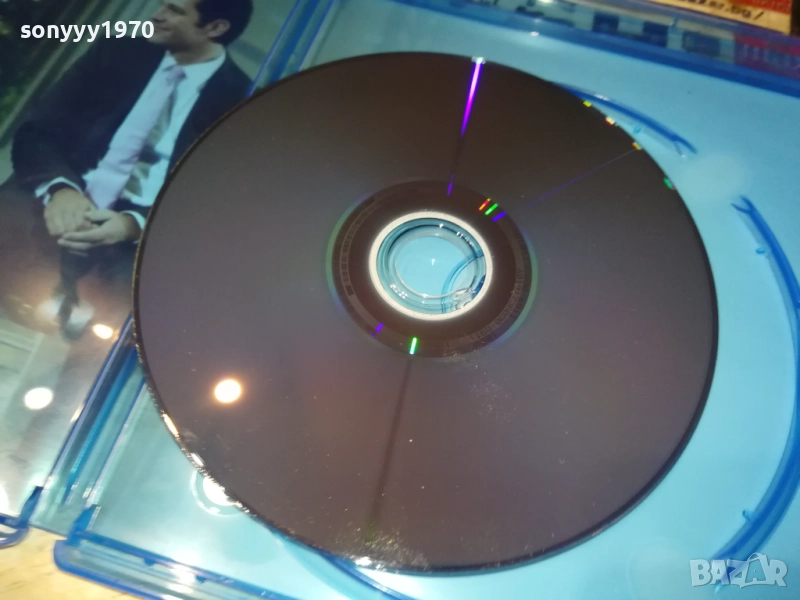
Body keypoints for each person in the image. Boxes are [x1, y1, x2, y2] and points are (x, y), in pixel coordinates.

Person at [5, 0, 254, 337]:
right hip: (48, 198)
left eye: (174, 10)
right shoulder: (116, 53)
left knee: (138, 328)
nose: (156, 15)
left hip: (132, 244)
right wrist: (61, 191)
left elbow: (212, 206)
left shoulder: (240, 101)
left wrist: (133, 225)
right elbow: (37, 131)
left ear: (215, 28)